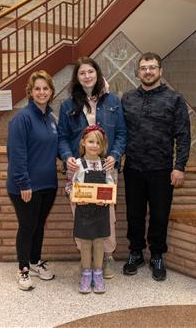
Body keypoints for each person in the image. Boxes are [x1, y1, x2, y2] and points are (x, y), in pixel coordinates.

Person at [121, 52, 191, 281]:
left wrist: (179, 166)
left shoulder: (175, 99)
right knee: (134, 214)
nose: (148, 71)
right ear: (137, 72)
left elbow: (183, 135)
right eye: (143, 68)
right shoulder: (128, 98)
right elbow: (120, 133)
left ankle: (157, 255)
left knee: (160, 215)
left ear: (160, 71)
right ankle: (135, 252)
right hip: (133, 168)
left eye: (152, 67)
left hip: (162, 169)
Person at [58, 57, 126, 279]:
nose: (87, 76)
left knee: (107, 214)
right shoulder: (68, 106)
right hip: (78, 168)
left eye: (90, 72)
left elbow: (122, 134)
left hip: (105, 168)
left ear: (97, 74)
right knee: (81, 213)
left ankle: (106, 257)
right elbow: (62, 137)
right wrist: (67, 156)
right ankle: (85, 258)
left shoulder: (113, 102)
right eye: (82, 73)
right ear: (77, 78)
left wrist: (114, 156)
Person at [6, 70, 59, 291]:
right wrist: (24, 183)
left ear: (51, 91)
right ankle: (23, 269)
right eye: (37, 88)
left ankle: (35, 261)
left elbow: (54, 147)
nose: (41, 92)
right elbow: (17, 153)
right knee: (27, 226)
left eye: (45, 88)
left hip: (48, 184)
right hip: (26, 186)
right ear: (30, 91)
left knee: (38, 226)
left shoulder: (51, 118)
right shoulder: (22, 118)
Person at [69, 125, 114, 294]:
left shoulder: (105, 164)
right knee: (86, 243)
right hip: (84, 209)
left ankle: (98, 274)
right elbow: (72, 185)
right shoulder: (78, 164)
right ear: (83, 143)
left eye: (98, 143)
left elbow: (110, 183)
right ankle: (87, 274)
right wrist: (76, 196)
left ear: (102, 147)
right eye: (91, 141)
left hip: (101, 209)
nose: (94, 145)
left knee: (99, 242)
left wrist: (107, 198)